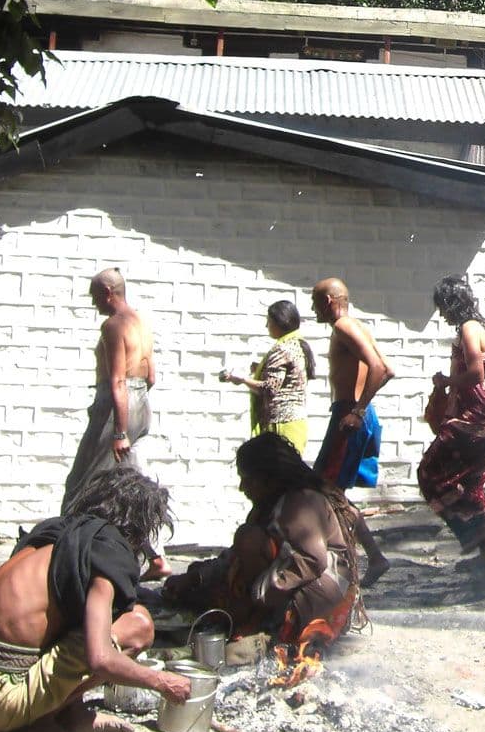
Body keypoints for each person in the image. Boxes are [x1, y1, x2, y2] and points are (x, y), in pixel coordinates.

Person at [0, 470, 189, 732]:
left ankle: (71, 714)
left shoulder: (54, 531)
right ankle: (39, 721)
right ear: (140, 528)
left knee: (86, 621)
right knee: (139, 624)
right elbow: (100, 658)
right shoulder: (107, 551)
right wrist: (162, 681)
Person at [164, 435, 371, 662]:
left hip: (314, 604)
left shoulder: (301, 502)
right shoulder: (269, 506)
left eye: (248, 480)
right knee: (207, 587)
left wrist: (254, 599)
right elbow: (234, 557)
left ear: (270, 479)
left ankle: (265, 632)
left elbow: (310, 561)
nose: (242, 487)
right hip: (279, 595)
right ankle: (244, 621)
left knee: (249, 539)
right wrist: (197, 577)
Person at [417, 275, 485, 570]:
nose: (442, 314)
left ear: (451, 304)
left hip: (475, 421)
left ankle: (476, 534)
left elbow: (476, 374)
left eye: (443, 307)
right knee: (471, 484)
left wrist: (446, 381)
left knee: (430, 474)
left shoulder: (470, 329)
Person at [309, 278, 393, 586]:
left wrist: (358, 410)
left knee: (326, 492)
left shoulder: (344, 327)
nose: (312, 308)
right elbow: (387, 368)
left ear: (329, 301)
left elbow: (380, 368)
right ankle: (369, 558)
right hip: (351, 414)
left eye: (315, 301)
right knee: (330, 492)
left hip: (350, 415)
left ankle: (356, 561)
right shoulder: (354, 327)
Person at [60, 269, 155, 515]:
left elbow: (118, 381)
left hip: (117, 408)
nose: (94, 303)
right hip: (141, 403)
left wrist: (120, 431)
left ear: (108, 293)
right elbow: (151, 376)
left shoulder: (113, 325)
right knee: (130, 481)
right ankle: (150, 548)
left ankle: (66, 540)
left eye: (95, 297)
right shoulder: (141, 321)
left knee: (82, 482)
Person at [222, 298, 314, 454]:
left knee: (277, 475)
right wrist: (261, 369)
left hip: (281, 424)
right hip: (295, 422)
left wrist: (243, 380)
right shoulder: (297, 344)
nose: (267, 326)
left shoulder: (282, 349)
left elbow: (269, 389)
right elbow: (291, 378)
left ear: (280, 322)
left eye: (269, 321)